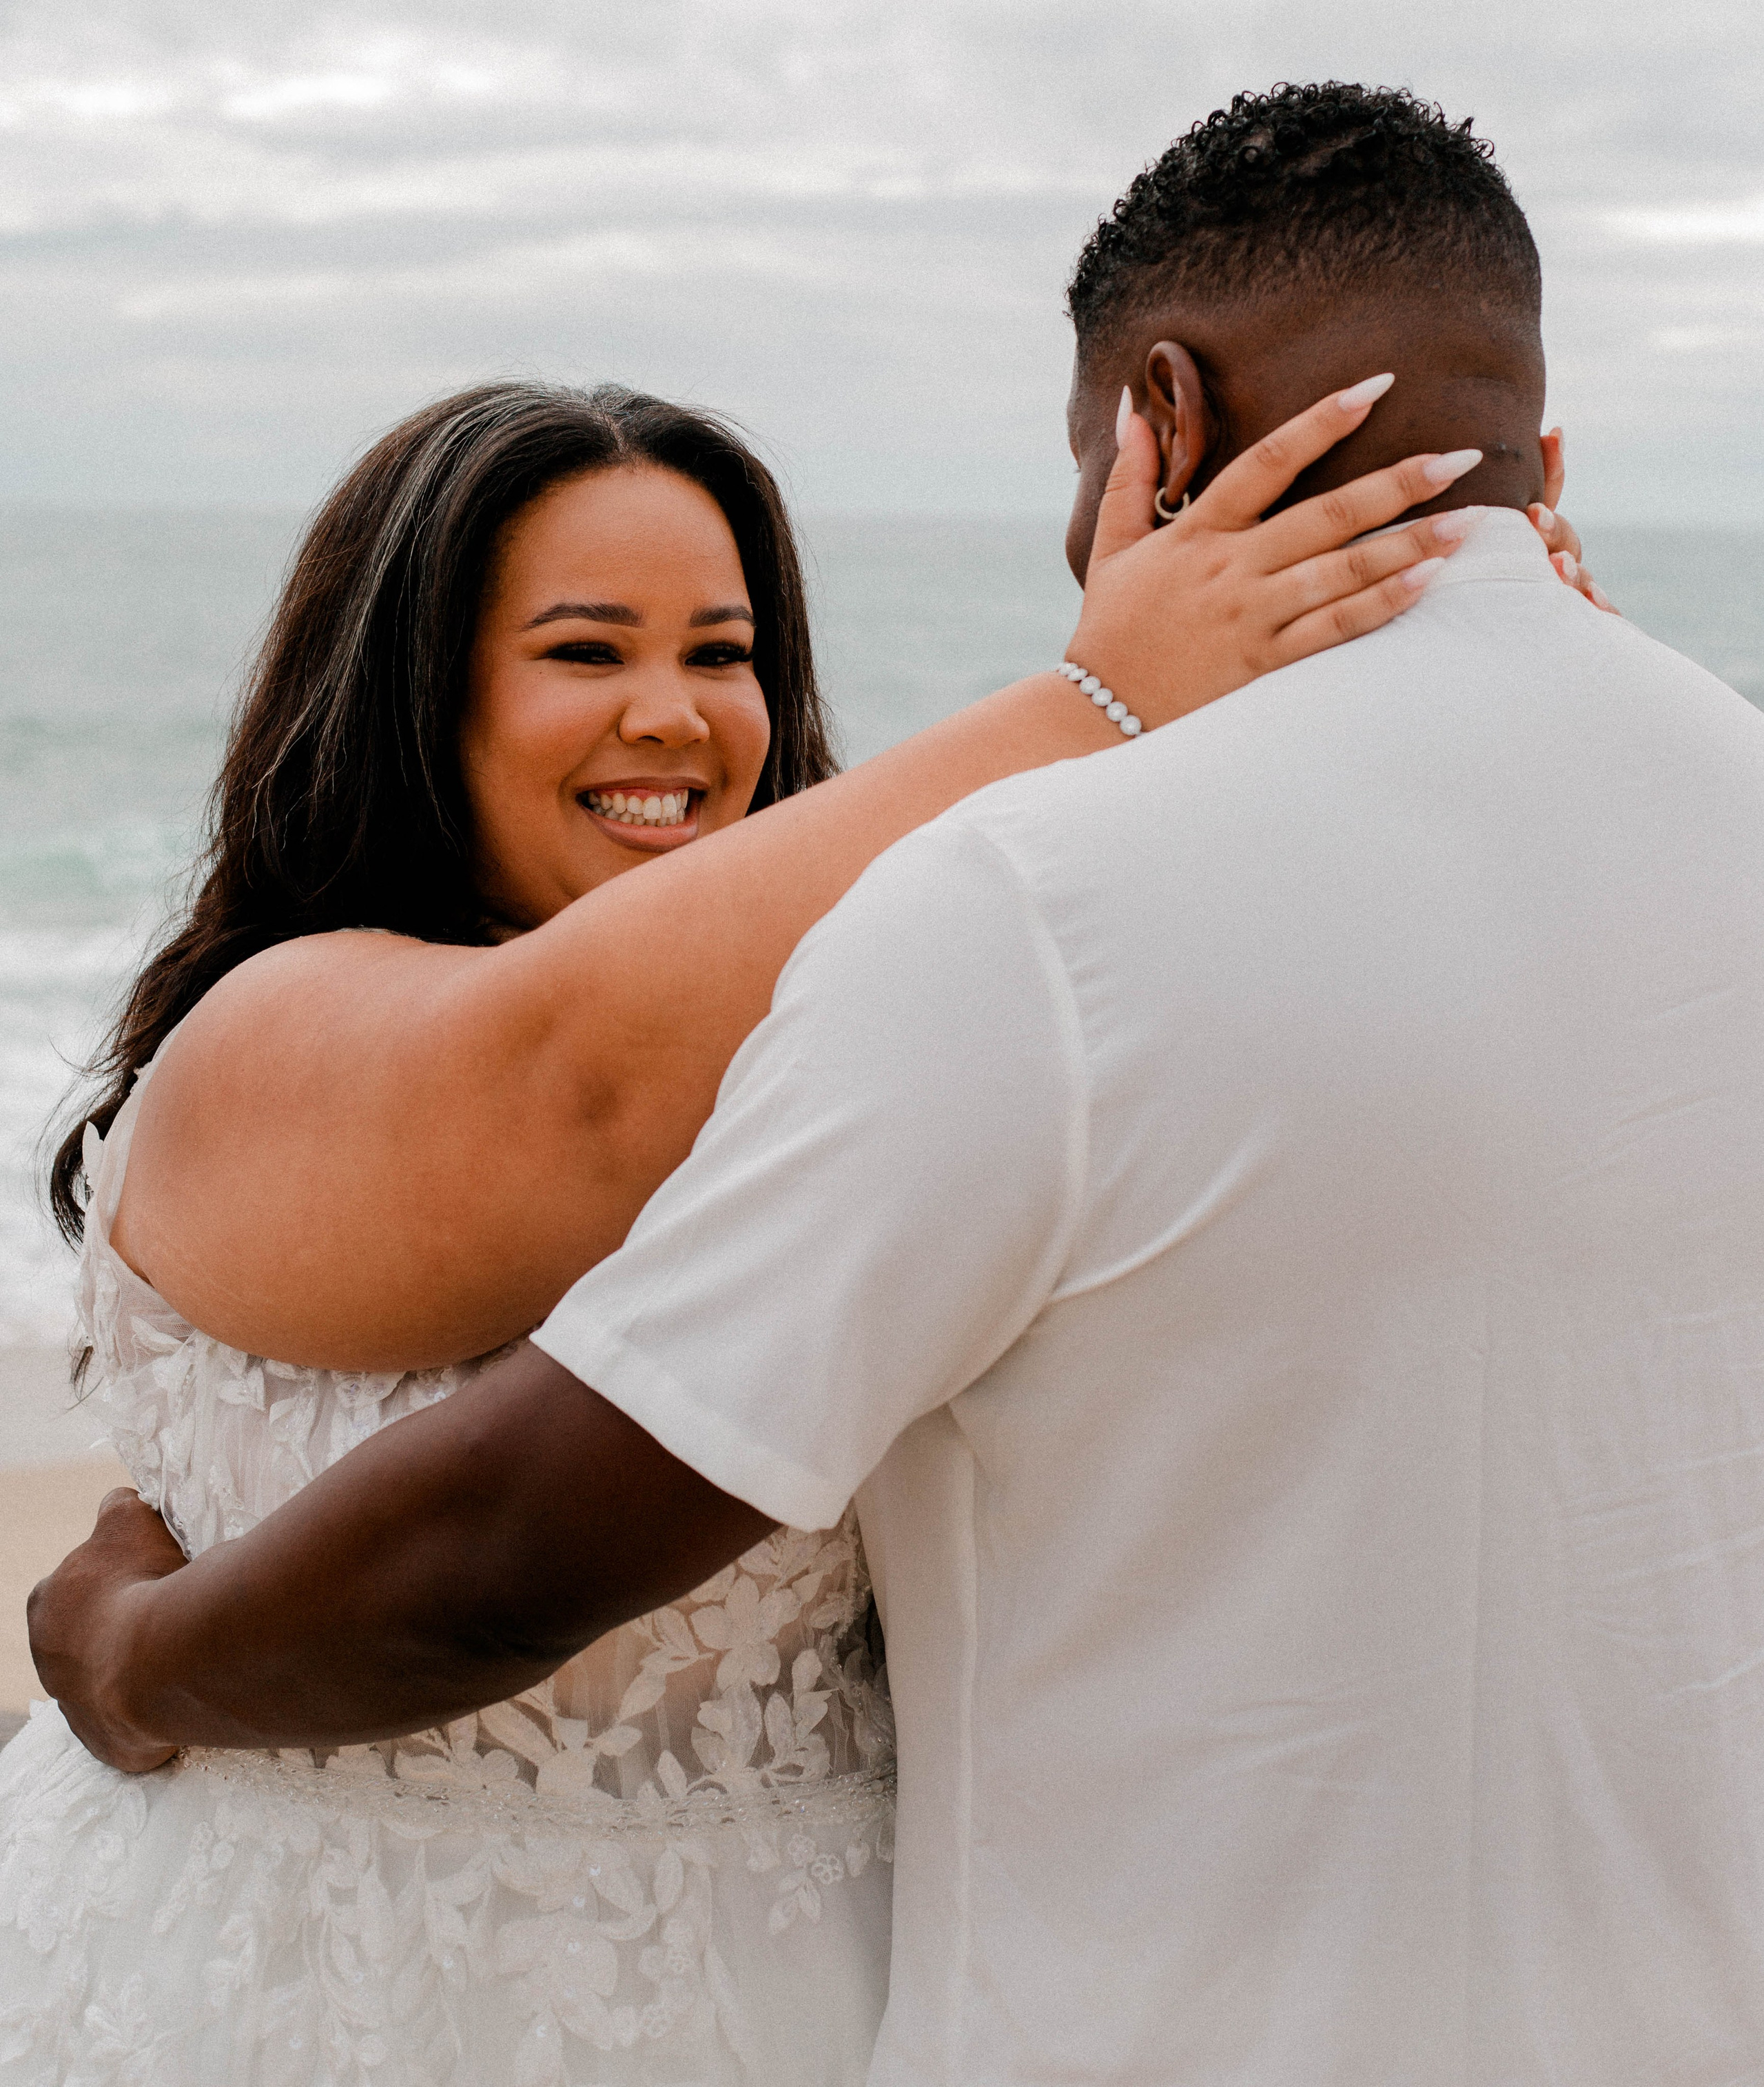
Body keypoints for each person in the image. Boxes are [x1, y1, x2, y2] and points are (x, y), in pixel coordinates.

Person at [2, 345, 1464, 2086]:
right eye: (584, 653)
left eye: (722, 654)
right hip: (310, 2000)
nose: (676, 719)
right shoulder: (275, 1036)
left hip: (808, 1998)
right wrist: (1102, 701)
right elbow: (573, 1083)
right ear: (414, 697)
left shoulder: (854, 1064)